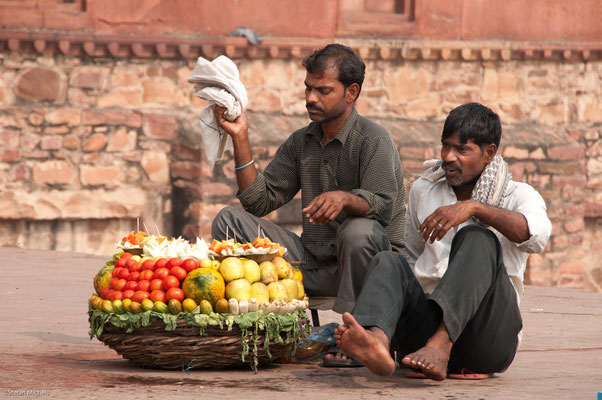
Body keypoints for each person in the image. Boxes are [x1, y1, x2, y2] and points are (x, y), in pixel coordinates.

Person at [335, 102, 552, 380]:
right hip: (421, 340)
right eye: (445, 146)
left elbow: (537, 236)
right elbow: (412, 258)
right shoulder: (425, 189)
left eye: (462, 149)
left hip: (486, 340)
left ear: (489, 153)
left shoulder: (519, 195)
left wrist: (476, 208)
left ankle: (441, 345)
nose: (449, 156)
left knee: (477, 237)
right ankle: (377, 341)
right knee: (389, 260)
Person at [211, 43, 406, 316]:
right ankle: (250, 320)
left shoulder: (373, 139)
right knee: (228, 221)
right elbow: (258, 202)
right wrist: (240, 137)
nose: (311, 98)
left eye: (323, 90)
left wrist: (346, 199)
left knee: (357, 231)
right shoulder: (302, 141)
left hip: (371, 271)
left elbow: (384, 206)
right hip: (312, 265)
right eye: (308, 88)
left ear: (352, 92)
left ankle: (354, 332)